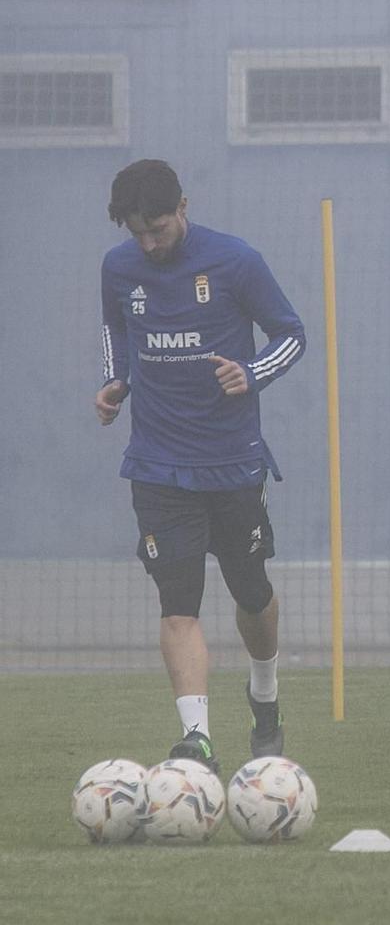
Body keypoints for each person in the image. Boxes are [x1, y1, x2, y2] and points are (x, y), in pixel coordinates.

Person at [95, 159, 306, 770]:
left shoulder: (236, 261)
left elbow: (291, 333)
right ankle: (199, 740)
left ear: (182, 207)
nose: (148, 242)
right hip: (158, 467)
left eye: (157, 228)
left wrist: (253, 372)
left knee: (252, 592)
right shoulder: (118, 267)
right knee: (178, 603)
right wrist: (115, 380)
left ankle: (264, 697)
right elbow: (115, 328)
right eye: (138, 232)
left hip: (234, 464)